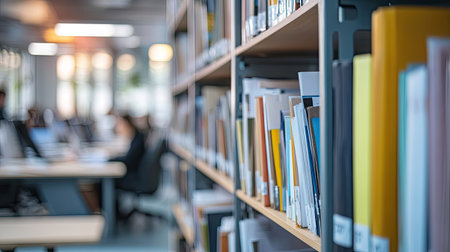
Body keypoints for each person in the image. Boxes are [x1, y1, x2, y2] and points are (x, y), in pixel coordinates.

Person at [109, 114, 146, 190]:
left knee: (105, 181)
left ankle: (110, 201)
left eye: (120, 124)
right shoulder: (137, 137)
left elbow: (128, 160)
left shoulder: (138, 141)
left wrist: (109, 160)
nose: (117, 127)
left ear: (127, 124)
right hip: (135, 173)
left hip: (133, 177)